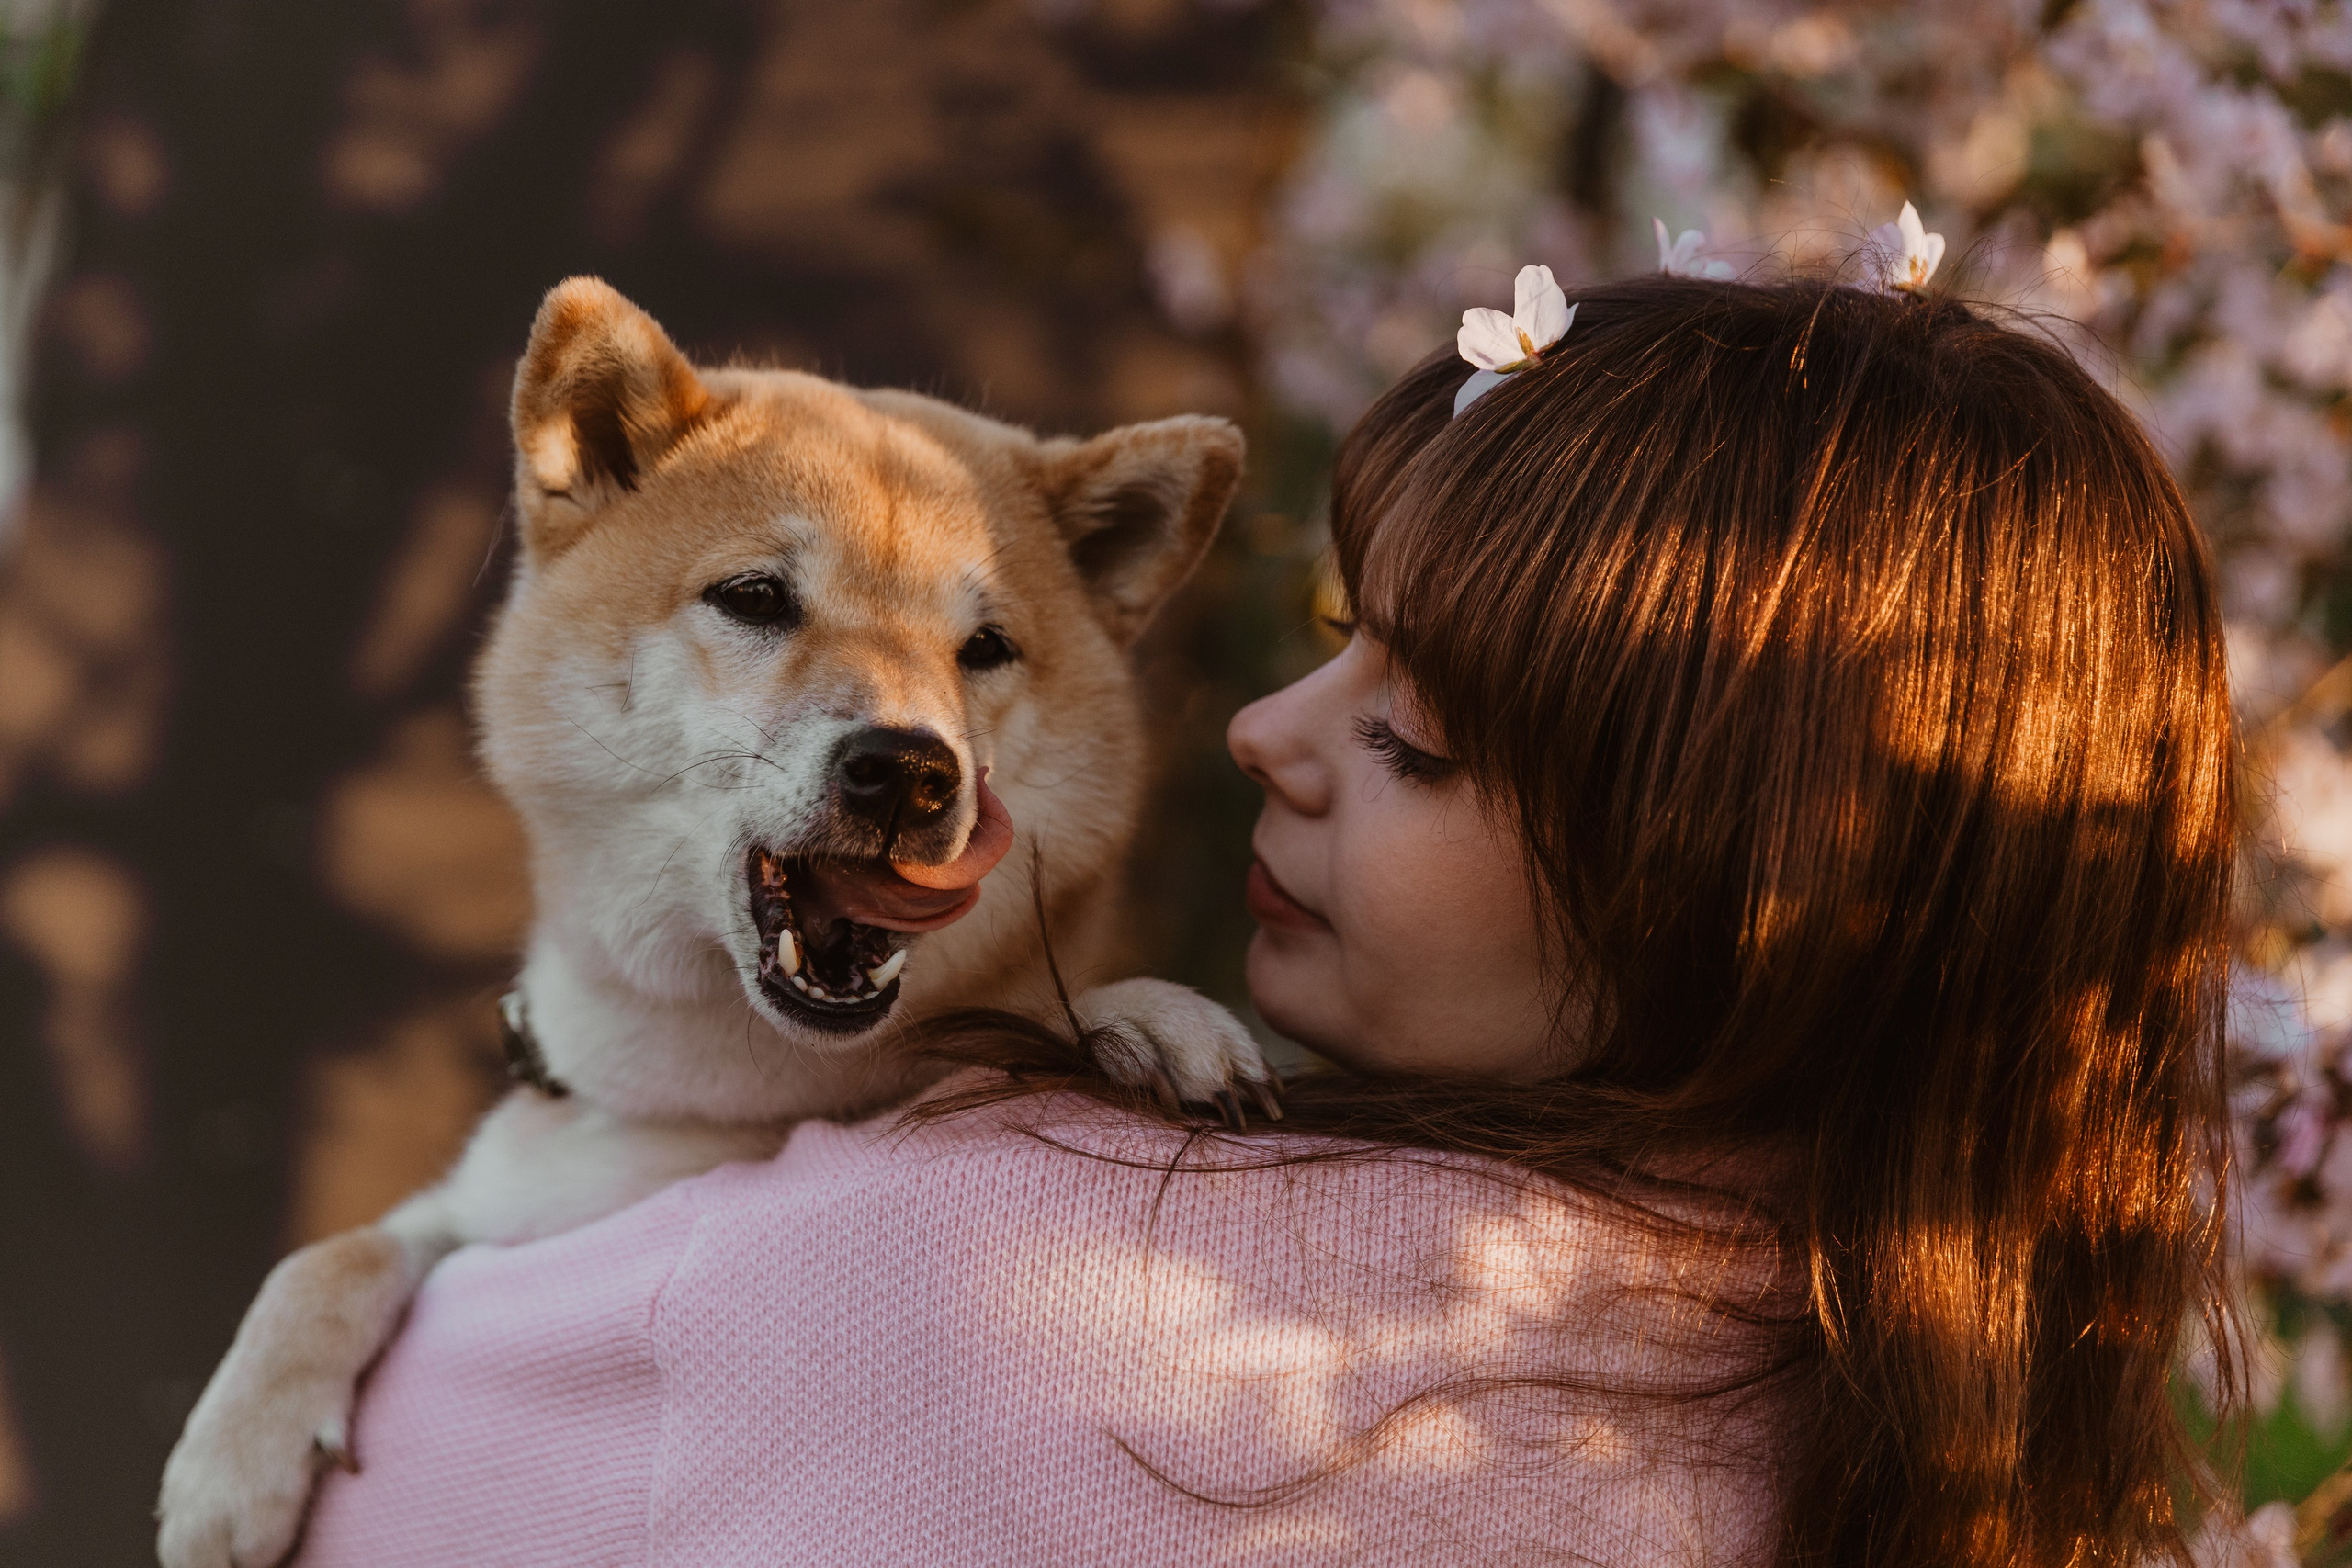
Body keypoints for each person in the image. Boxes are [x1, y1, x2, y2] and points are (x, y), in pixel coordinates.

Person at [294, 271, 2238, 1568]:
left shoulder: (948, 1280)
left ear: (1734, 892)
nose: (1259, 737)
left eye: (1414, 739)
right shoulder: (1965, 1415)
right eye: (1335, 647)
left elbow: (350, 1494)